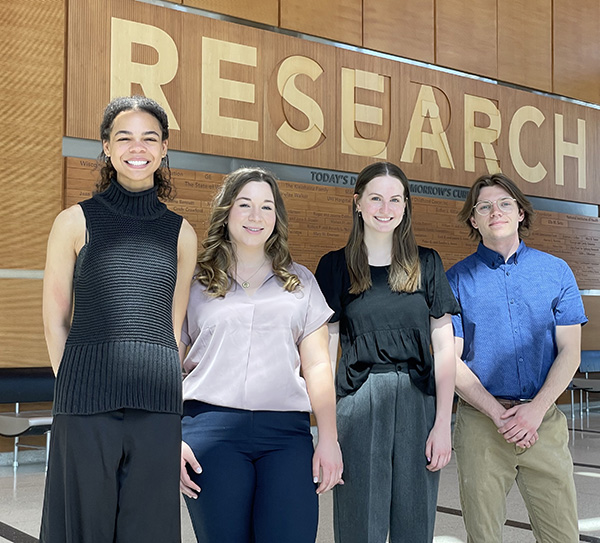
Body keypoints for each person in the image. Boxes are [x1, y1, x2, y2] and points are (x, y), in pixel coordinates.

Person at [40, 96, 198, 543]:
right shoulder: (74, 222)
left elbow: (172, 326)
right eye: (124, 137)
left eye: (150, 138)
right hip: (84, 403)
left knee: (148, 530)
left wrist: (173, 399)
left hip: (157, 402)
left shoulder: (182, 234)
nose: (137, 147)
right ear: (106, 148)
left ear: (164, 148)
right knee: (81, 529)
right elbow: (55, 318)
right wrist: (71, 384)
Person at [178, 167, 343, 543]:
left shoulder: (301, 282)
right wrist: (171, 435)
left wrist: (329, 438)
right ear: (226, 211)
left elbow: (317, 365)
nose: (256, 216)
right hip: (209, 431)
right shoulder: (194, 283)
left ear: (277, 218)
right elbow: (170, 357)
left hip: (286, 435)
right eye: (245, 205)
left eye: (267, 207)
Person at [315, 161, 459, 543]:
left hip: (418, 401)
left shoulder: (427, 262)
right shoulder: (334, 266)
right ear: (357, 202)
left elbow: (445, 348)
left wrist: (443, 423)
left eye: (395, 199)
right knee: (359, 522)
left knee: (416, 520)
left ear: (406, 205)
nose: (385, 208)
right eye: (376, 198)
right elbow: (325, 354)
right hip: (358, 402)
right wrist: (325, 432)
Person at [446, 173, 587, 543]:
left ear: (521, 212)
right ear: (473, 219)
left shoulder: (556, 271)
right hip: (481, 426)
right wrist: (498, 414)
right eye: (485, 206)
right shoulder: (455, 280)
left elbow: (571, 352)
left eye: (505, 203)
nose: (496, 211)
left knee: (562, 535)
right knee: (484, 535)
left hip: (545, 421)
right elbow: (450, 360)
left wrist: (536, 410)